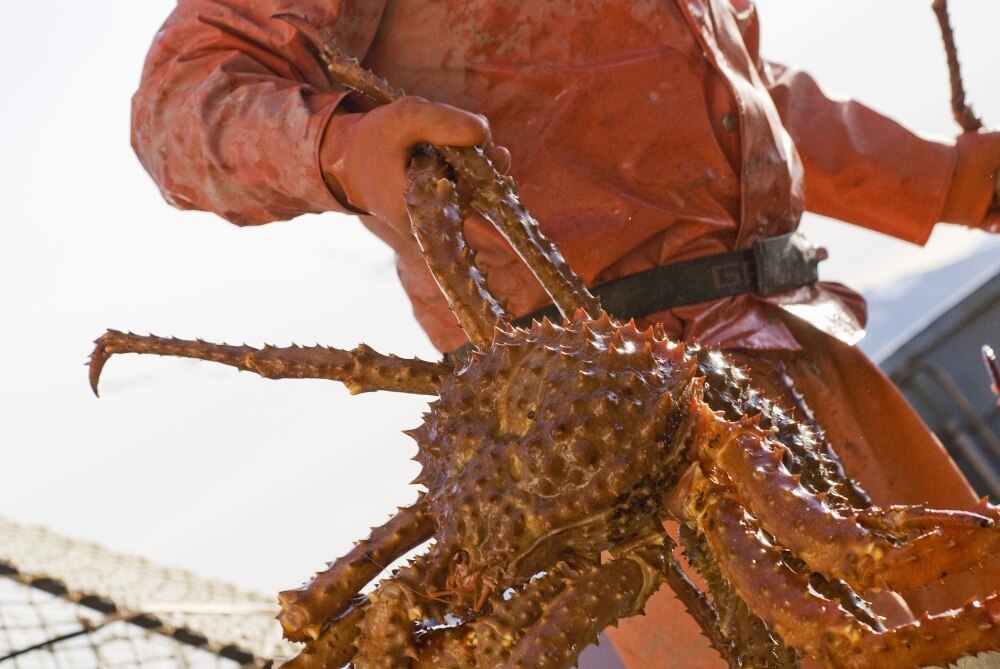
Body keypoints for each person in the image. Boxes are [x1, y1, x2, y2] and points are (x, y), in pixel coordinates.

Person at [131, 1, 1000, 666]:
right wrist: (338, 148)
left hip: (791, 343)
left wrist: (953, 181)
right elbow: (180, 100)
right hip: (617, 453)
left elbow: (732, 89)